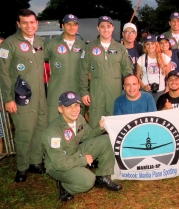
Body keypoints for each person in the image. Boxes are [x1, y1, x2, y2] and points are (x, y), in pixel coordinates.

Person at [42, 91, 122, 202]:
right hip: (58, 165)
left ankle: (102, 177)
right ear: (60, 109)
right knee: (88, 180)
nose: (74, 109)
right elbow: (59, 162)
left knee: (106, 140)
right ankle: (65, 187)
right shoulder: (53, 132)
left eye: (76, 105)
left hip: (75, 152)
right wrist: (83, 160)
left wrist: (99, 127)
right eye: (68, 106)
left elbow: (87, 135)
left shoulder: (79, 118)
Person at [0, 9, 48, 182]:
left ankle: (35, 162)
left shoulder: (40, 41)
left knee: (40, 129)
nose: (29, 26)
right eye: (25, 23)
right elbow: (3, 73)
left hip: (41, 96)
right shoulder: (9, 44)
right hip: (21, 97)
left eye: (32, 22)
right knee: (24, 132)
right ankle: (22, 167)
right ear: (18, 24)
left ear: (37, 23)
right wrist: (8, 98)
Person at [80, 16, 132, 128]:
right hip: (96, 93)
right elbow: (83, 71)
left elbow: (127, 71)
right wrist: (84, 92)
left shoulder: (120, 48)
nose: (105, 29)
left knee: (116, 125)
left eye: (108, 26)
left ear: (112, 28)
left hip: (115, 93)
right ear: (98, 28)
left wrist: (130, 89)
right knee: (95, 124)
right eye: (102, 26)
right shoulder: (89, 48)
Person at [44, 14, 86, 123]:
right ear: (63, 26)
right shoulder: (52, 44)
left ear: (78, 27)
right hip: (57, 90)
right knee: (54, 122)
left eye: (74, 24)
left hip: (76, 89)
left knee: (75, 124)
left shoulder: (83, 46)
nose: (72, 27)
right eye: (68, 24)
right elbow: (37, 60)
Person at [136, 34, 171, 102]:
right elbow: (137, 76)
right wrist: (143, 86)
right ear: (145, 46)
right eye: (147, 44)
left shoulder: (164, 58)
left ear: (156, 44)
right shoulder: (141, 59)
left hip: (161, 91)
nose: (150, 46)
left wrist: (167, 89)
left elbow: (169, 76)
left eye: (152, 43)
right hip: (146, 91)